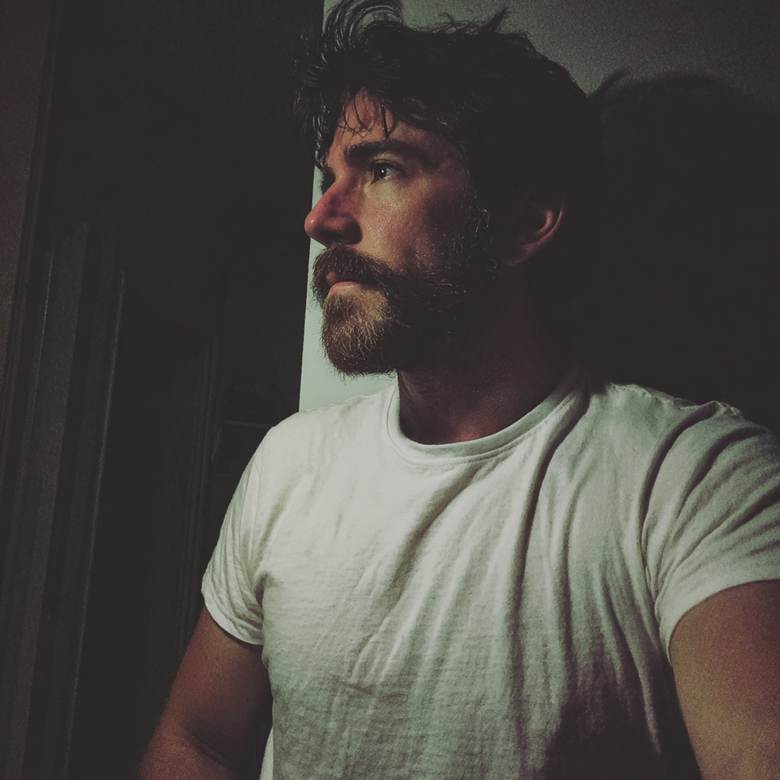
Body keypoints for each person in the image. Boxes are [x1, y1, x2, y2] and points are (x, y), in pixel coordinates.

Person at [141, 1, 780, 777]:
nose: (320, 218)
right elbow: (196, 740)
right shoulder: (288, 464)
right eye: (330, 177)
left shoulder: (691, 479)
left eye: (381, 169)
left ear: (524, 221)